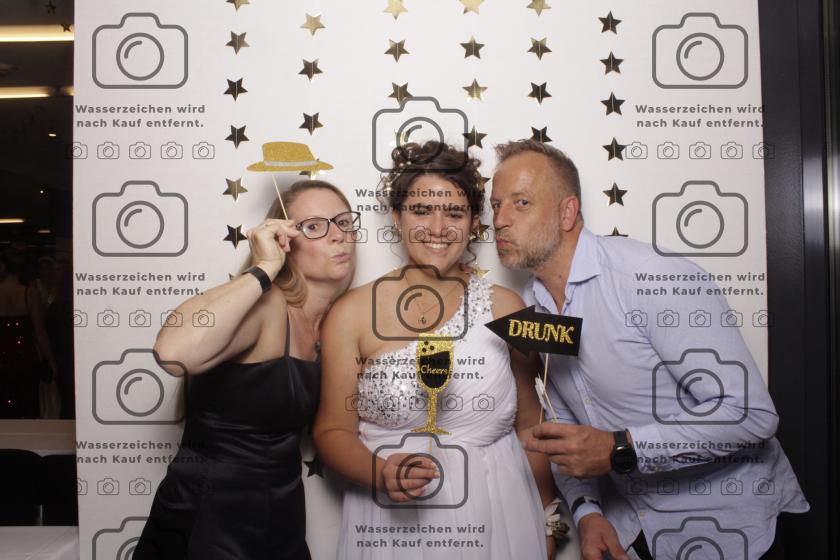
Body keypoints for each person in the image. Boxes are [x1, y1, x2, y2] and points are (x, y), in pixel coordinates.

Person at [490, 139, 809, 560]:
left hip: (732, 530)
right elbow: (563, 422)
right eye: (495, 205)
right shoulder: (535, 308)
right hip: (635, 533)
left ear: (567, 212)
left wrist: (622, 447)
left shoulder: (651, 278)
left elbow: (751, 415)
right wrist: (587, 512)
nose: (500, 221)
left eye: (521, 203)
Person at [313, 141, 561, 560]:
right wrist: (381, 473)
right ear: (396, 217)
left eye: (454, 213)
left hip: (501, 513)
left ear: (474, 223)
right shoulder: (352, 314)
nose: (438, 226)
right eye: (422, 210)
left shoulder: (507, 308)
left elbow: (529, 425)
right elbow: (331, 431)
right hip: (394, 525)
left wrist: (548, 517)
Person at [135, 180, 358, 559]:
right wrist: (264, 268)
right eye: (315, 226)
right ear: (285, 240)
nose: (338, 235)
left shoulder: (333, 323)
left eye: (344, 221)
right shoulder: (268, 307)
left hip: (280, 515)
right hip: (210, 519)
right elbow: (172, 354)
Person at [0, 253, 57, 418]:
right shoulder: (29, 293)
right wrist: (50, 360)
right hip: (24, 353)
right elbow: (40, 331)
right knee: (25, 398)